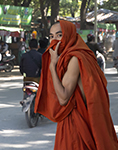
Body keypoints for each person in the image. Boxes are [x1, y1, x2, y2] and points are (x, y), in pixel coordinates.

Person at [34, 20, 118, 150]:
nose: (54, 40)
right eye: (51, 36)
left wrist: (52, 66)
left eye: (59, 35)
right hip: (79, 121)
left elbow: (63, 98)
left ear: (69, 35)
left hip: (75, 125)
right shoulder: (80, 55)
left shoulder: (74, 58)